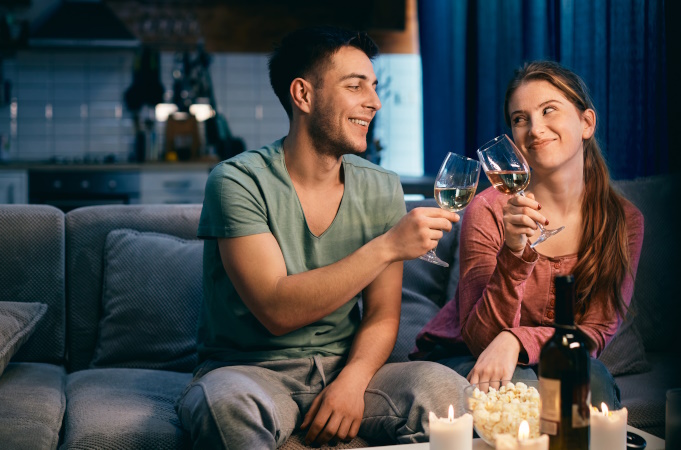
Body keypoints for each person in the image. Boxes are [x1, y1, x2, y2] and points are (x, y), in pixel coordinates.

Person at [175, 25, 469, 449]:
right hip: (251, 372)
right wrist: (387, 246)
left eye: (374, 87)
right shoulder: (236, 181)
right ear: (303, 95)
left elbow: (382, 315)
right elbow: (277, 309)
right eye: (355, 86)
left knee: (447, 394)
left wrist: (352, 380)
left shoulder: (382, 186)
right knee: (226, 408)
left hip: (348, 366)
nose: (374, 102)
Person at [410, 60, 644, 409]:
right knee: (523, 390)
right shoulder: (488, 210)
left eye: (549, 110)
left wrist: (517, 340)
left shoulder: (624, 221)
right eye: (520, 119)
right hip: (465, 355)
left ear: (586, 123)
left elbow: (595, 333)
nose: (535, 129)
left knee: (589, 379)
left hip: (548, 357)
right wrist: (514, 254)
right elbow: (480, 340)